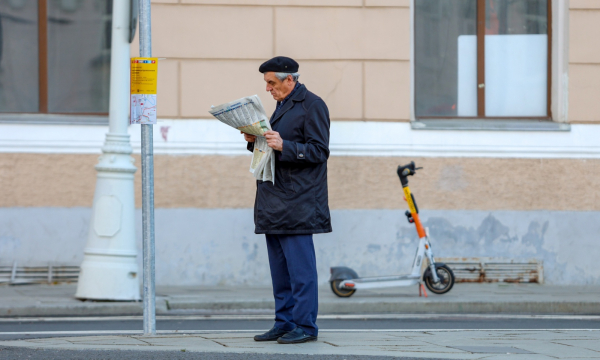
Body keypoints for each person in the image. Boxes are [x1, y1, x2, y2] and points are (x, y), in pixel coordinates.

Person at [244, 56, 331, 344]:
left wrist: (286, 145)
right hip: (275, 200)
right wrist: (253, 140)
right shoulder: (283, 105)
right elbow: (273, 147)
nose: (268, 88)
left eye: (272, 82)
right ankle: (284, 322)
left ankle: (306, 327)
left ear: (289, 79)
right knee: (280, 272)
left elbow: (319, 151)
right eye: (266, 83)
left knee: (301, 272)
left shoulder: (313, 105)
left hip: (299, 202)